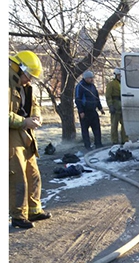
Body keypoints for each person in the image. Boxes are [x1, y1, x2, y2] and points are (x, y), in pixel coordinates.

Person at [9, 50, 52, 228]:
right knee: (17, 176)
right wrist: (24, 121)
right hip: (10, 136)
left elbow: (34, 104)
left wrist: (36, 117)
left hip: (25, 133)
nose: (30, 80)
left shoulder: (24, 84)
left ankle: (34, 211)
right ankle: (18, 216)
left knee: (33, 173)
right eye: (29, 76)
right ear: (19, 68)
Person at [75, 70, 105, 150]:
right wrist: (81, 111)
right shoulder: (80, 86)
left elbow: (96, 98)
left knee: (97, 128)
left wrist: (100, 108)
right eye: (90, 78)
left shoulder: (93, 86)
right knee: (85, 130)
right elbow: (78, 100)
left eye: (92, 78)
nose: (92, 79)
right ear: (86, 78)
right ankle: (87, 145)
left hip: (93, 111)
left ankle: (98, 143)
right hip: (85, 112)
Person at [105, 68, 128, 145]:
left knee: (125, 125)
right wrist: (110, 105)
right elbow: (108, 96)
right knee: (114, 125)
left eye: (120, 75)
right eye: (118, 75)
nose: (120, 77)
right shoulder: (111, 84)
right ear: (115, 75)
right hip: (115, 107)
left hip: (123, 107)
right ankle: (114, 141)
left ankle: (124, 140)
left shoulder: (125, 84)